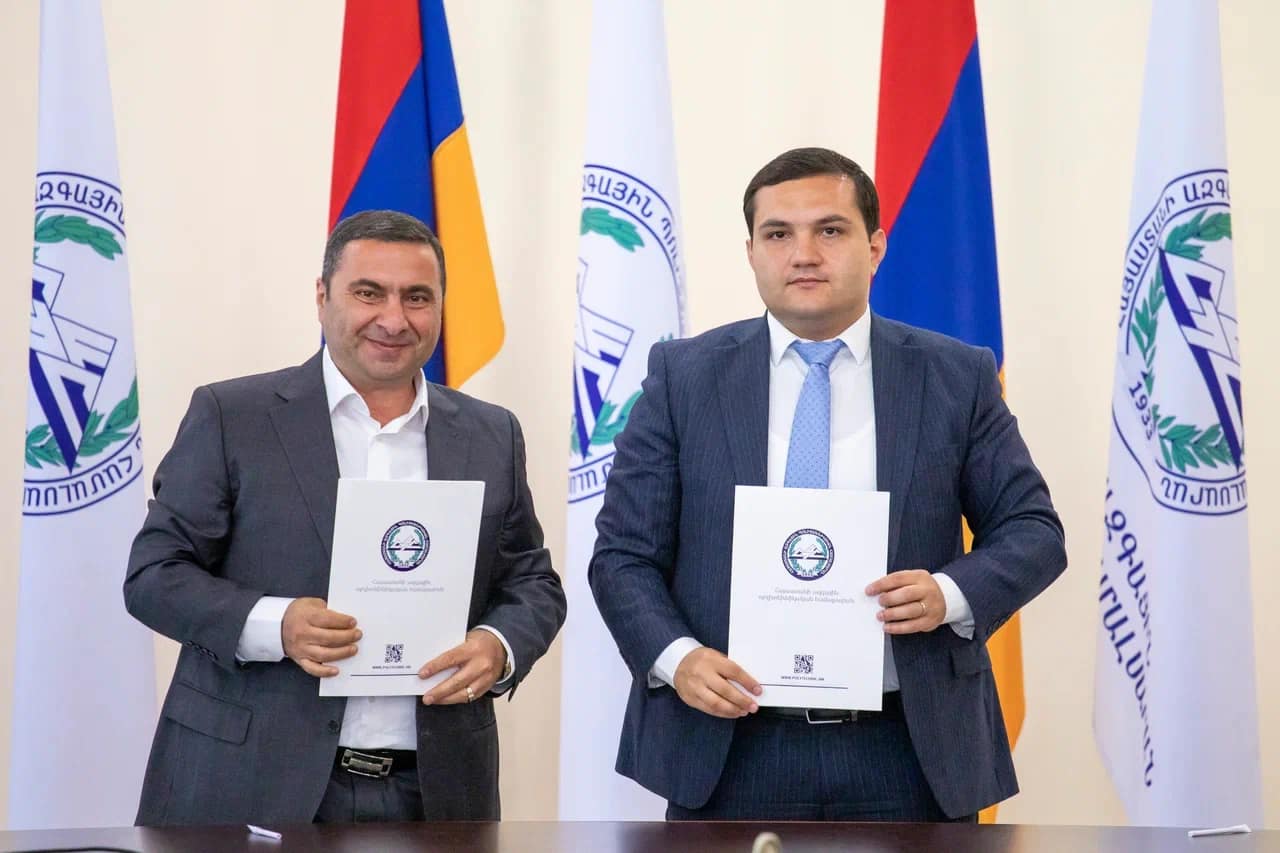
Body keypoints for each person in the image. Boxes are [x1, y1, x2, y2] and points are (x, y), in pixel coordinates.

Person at [589, 147, 1066, 821]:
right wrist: (678, 658)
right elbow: (622, 556)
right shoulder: (683, 377)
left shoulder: (955, 376)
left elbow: (1033, 532)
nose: (804, 254)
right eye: (778, 234)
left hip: (910, 747)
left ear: (875, 248)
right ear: (751, 252)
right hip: (727, 747)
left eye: (830, 230)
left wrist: (949, 593)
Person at [124, 209, 565, 825]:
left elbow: (532, 583)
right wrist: (276, 625)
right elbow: (154, 575)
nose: (394, 319)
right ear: (322, 297)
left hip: (436, 794)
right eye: (368, 293)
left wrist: (498, 646)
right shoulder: (233, 416)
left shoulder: (492, 434)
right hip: (249, 783)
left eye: (417, 297)